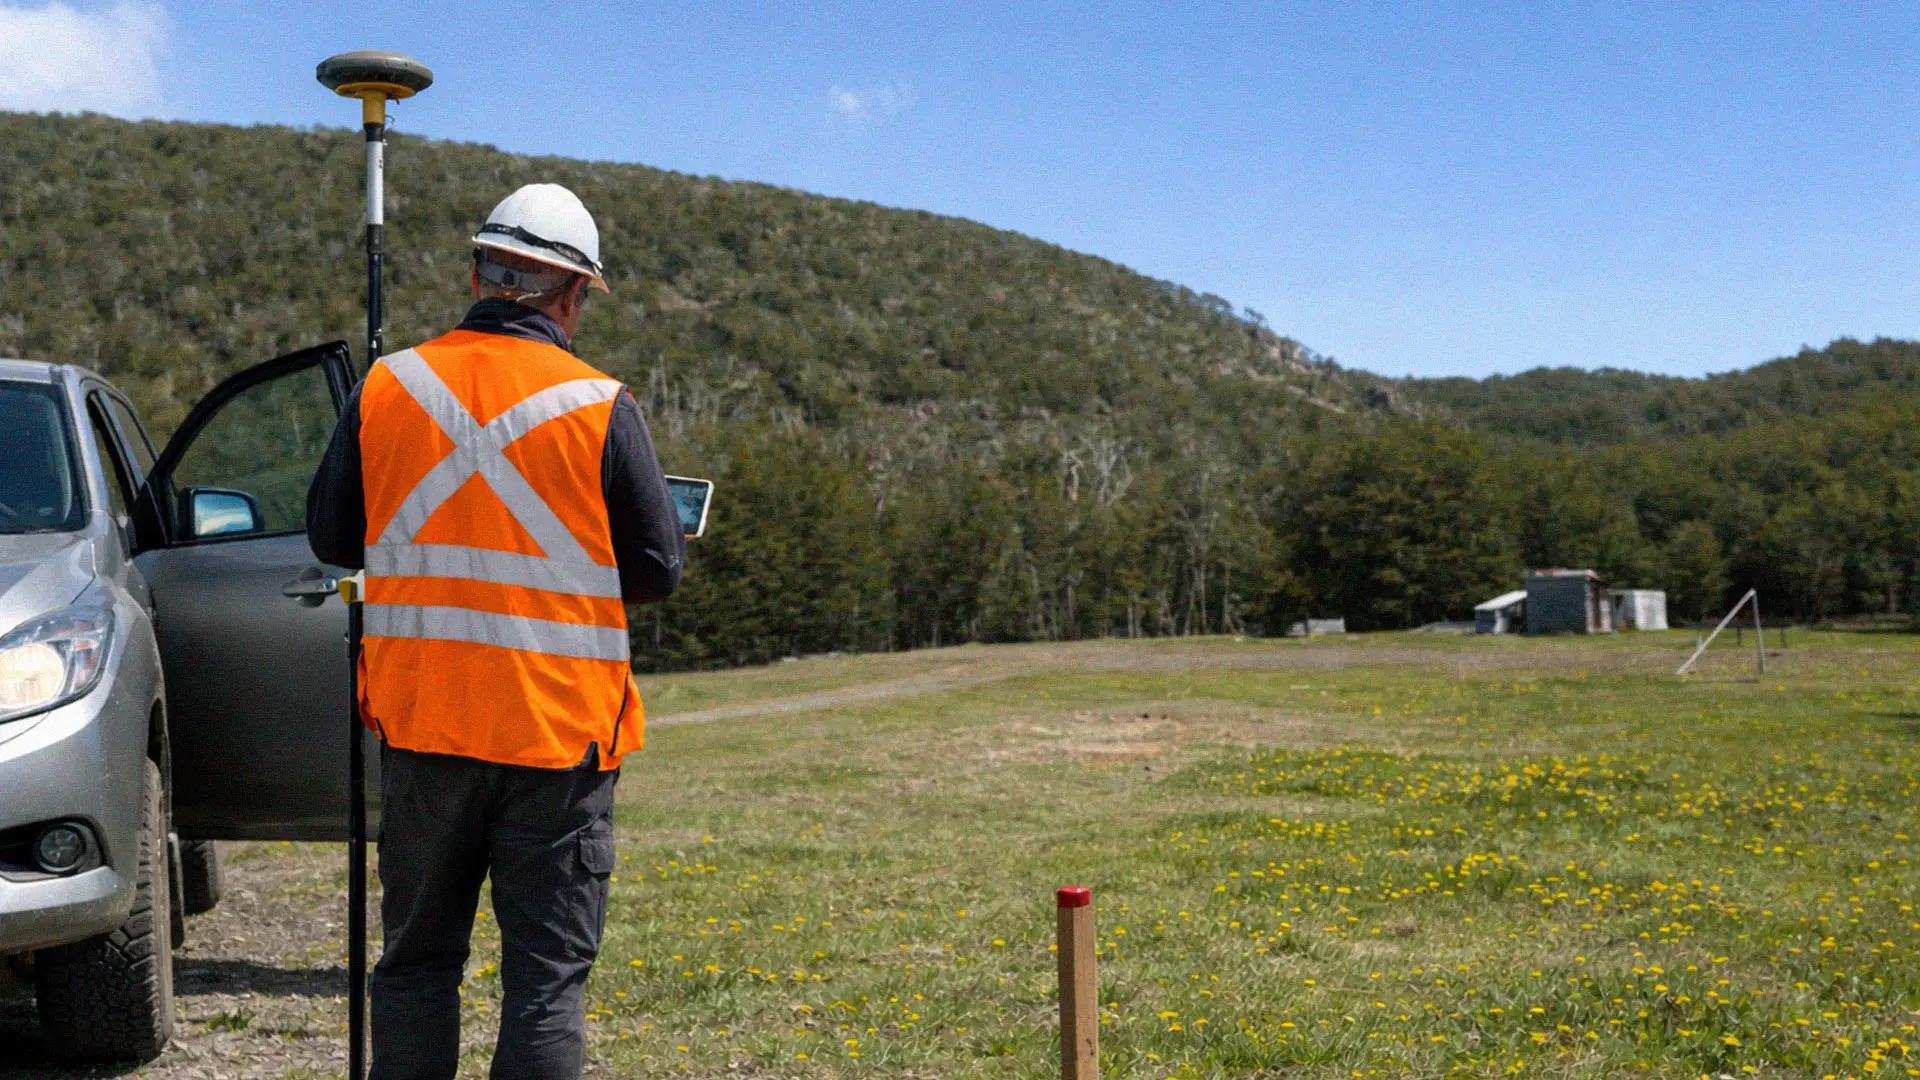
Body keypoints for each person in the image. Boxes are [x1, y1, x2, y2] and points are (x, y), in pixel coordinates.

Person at [307, 182, 685, 1080]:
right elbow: (658, 569)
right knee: (546, 985)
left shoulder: (390, 384)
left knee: (417, 967)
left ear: (477, 272)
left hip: (425, 727)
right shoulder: (599, 403)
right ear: (571, 294)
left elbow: (331, 536)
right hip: (556, 741)